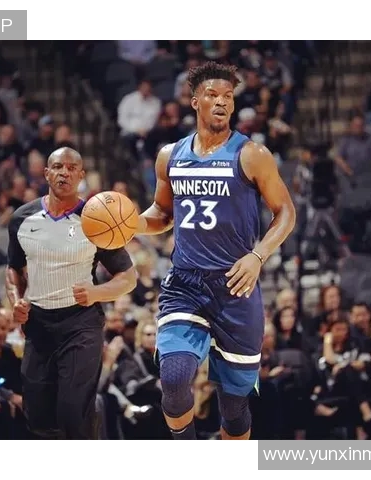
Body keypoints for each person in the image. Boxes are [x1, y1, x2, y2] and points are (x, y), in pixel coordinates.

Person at [135, 61, 296, 440]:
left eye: (228, 96)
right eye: (212, 95)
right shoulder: (170, 155)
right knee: (174, 380)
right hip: (186, 284)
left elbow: (286, 212)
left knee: (234, 407)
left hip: (236, 286)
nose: (222, 102)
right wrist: (132, 224)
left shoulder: (252, 154)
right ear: (195, 102)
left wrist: (258, 256)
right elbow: (162, 214)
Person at [5, 147, 137, 439]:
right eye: (57, 167)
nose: (64, 172)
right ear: (46, 173)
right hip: (39, 323)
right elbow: (13, 268)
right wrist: (16, 300)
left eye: (71, 168)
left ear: (81, 176)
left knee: (73, 411)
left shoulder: (96, 220)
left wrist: (97, 292)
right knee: (37, 417)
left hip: (81, 323)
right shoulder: (22, 218)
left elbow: (128, 278)